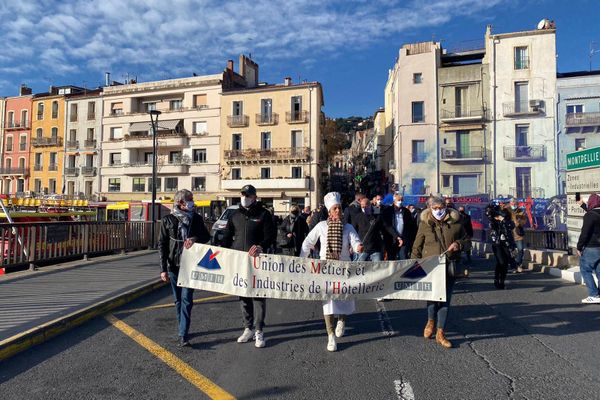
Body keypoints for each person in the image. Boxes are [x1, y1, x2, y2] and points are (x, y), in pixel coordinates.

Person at [300, 192, 363, 352]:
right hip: (326, 269)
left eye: (339, 208)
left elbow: (355, 242)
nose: (338, 211)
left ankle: (341, 320)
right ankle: (330, 336)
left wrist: (358, 247)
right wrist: (301, 260)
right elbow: (308, 242)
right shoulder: (321, 226)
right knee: (328, 302)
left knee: (345, 298)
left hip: (344, 268)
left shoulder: (347, 227)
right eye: (335, 208)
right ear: (329, 211)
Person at [221, 184, 275, 348]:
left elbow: (271, 236)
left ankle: (259, 330)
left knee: (258, 296)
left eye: (248, 195)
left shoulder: (263, 214)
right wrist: (219, 252)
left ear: (255, 197)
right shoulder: (235, 215)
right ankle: (248, 328)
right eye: (243, 194)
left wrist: (261, 246)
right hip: (239, 262)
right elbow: (226, 237)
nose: (244, 197)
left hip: (258, 263)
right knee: (243, 295)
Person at [411, 196, 468, 349]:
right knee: (432, 297)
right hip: (430, 266)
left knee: (445, 299)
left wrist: (458, 244)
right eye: (434, 208)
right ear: (430, 209)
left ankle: (440, 333)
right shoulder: (425, 224)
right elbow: (417, 246)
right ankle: (430, 321)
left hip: (449, 266)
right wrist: (412, 265)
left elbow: (467, 240)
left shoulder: (456, 223)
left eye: (440, 207)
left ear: (446, 207)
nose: (438, 210)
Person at [159, 189, 211, 347]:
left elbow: (207, 237)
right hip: (173, 265)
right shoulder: (167, 220)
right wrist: (163, 269)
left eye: (192, 199)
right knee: (177, 300)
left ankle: (183, 333)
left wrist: (195, 238)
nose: (192, 202)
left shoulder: (196, 219)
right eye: (189, 199)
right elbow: (162, 245)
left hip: (191, 266)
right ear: (180, 203)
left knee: (187, 299)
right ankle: (183, 326)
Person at [577, 193, 600, 303]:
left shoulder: (590, 215)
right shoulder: (594, 214)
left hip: (592, 247)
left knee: (585, 270)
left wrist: (579, 247)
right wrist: (582, 205)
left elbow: (585, 233)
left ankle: (594, 295)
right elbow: (595, 215)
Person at [487, 204, 516, 289]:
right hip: (497, 244)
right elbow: (489, 216)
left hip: (506, 243)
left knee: (505, 263)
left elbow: (512, 225)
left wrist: (503, 220)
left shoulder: (506, 220)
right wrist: (495, 216)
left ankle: (502, 281)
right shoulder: (493, 222)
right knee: (501, 262)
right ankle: (496, 278)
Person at [349, 195, 386, 262]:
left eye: (365, 205)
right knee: (359, 266)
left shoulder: (377, 216)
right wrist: (352, 245)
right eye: (362, 205)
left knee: (377, 267)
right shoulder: (358, 216)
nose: (363, 207)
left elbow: (384, 228)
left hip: (375, 247)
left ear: (369, 205)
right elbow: (353, 230)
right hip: (362, 247)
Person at [382, 193, 417, 260]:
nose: (400, 202)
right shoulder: (387, 211)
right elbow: (387, 226)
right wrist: (396, 237)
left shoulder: (406, 212)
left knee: (403, 258)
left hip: (404, 240)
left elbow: (410, 226)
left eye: (401, 200)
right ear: (394, 200)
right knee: (391, 260)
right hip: (391, 240)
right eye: (398, 200)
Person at [508, 198, 527, 272]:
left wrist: (519, 223)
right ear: (510, 203)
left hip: (518, 234)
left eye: (515, 202)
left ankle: (518, 264)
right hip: (509, 234)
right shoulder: (507, 211)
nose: (513, 204)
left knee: (520, 249)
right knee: (511, 251)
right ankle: (514, 266)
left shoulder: (521, 211)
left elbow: (524, 221)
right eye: (512, 202)